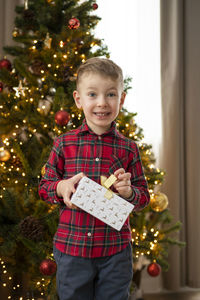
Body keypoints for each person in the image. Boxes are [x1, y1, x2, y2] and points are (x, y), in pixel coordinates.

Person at [38, 57, 150, 300]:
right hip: (72, 250)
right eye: (92, 94)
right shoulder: (63, 144)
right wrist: (60, 187)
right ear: (79, 99)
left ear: (121, 99)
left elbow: (144, 197)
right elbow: (44, 187)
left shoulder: (129, 149)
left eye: (110, 94)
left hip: (116, 253)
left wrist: (129, 193)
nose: (102, 103)